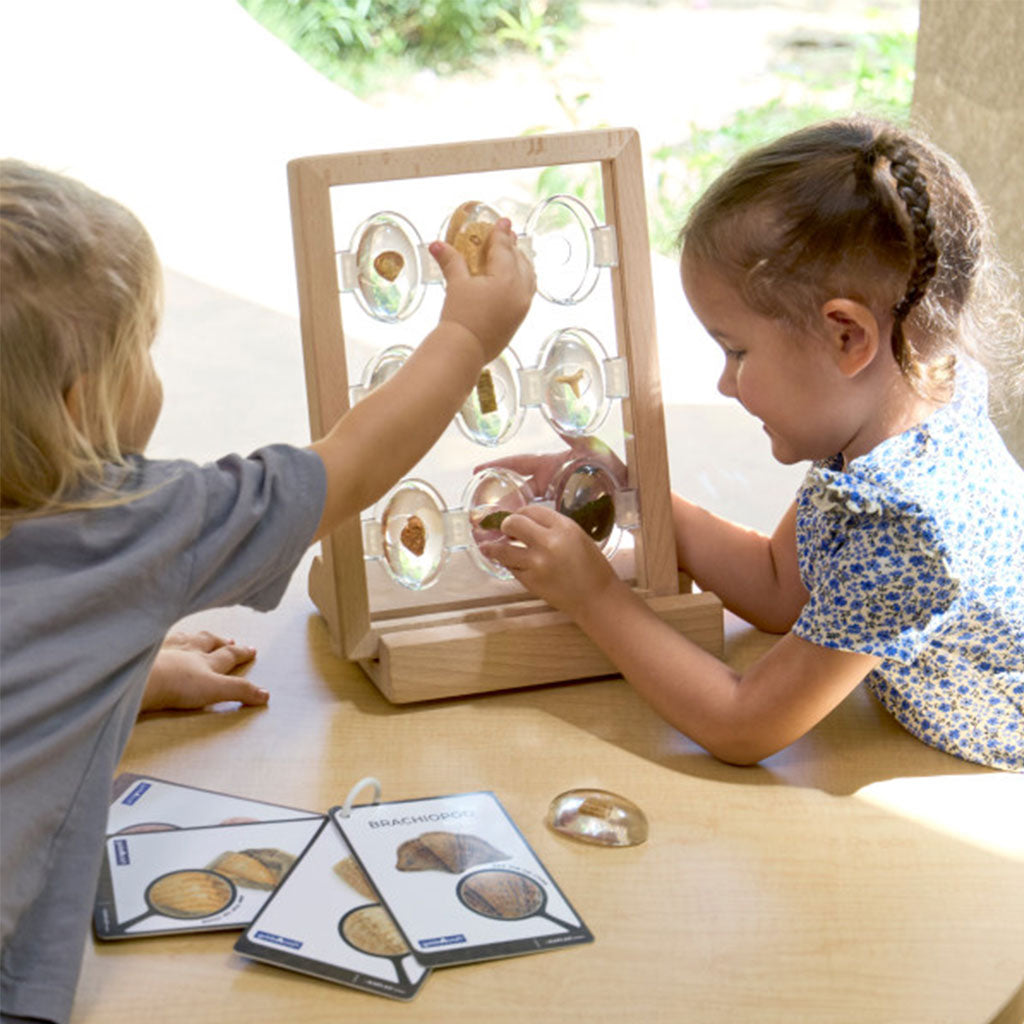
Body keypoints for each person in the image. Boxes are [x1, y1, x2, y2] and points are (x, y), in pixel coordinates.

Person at [0, 158, 535, 1024]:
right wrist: (468, 338)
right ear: (79, 403)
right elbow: (352, 464)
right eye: (141, 351)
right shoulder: (133, 525)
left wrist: (119, 680)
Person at [482, 116, 1024, 772]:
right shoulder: (900, 402)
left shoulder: (907, 523)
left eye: (737, 351)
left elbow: (743, 726)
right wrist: (632, 497)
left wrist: (593, 595)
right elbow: (779, 588)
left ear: (846, 337)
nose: (724, 381)